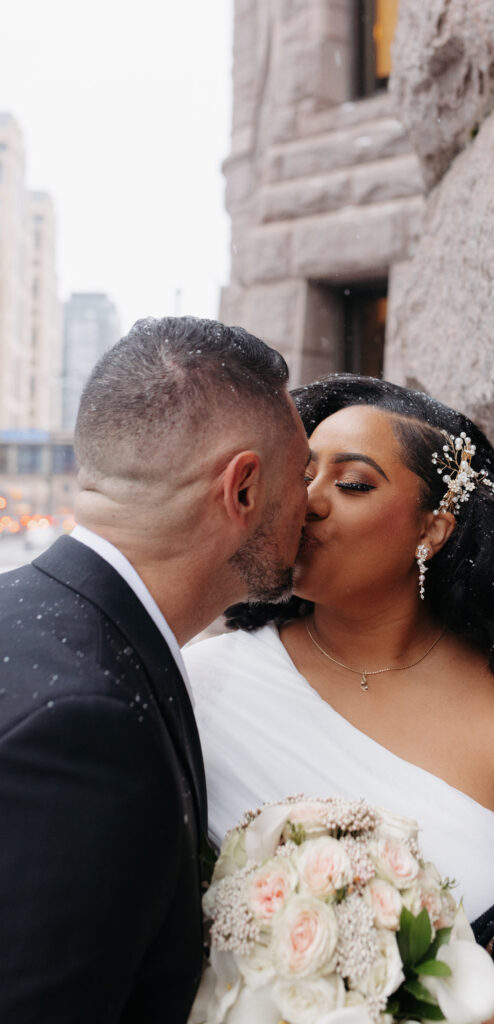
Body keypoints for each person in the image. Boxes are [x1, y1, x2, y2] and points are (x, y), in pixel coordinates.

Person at [185, 374, 494, 1024]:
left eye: (352, 483)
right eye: (302, 476)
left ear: (432, 529)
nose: (309, 502)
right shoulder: (199, 685)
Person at [0, 316, 310, 1024]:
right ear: (242, 489)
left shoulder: (18, 608)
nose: (313, 503)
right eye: (302, 475)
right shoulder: (86, 729)